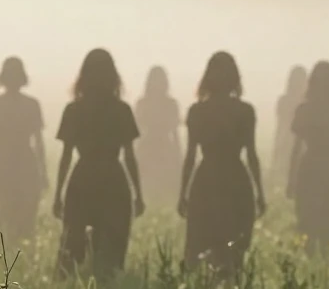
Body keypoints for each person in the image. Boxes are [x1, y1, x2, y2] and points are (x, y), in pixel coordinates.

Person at [54, 49, 144, 276]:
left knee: (72, 244)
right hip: (114, 179)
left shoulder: (74, 110)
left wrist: (58, 194)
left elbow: (66, 156)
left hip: (82, 178)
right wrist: (138, 194)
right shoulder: (122, 110)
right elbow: (129, 156)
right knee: (112, 246)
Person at [179, 52, 266, 273]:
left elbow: (190, 156)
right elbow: (252, 155)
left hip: (206, 180)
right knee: (234, 246)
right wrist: (260, 193)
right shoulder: (245, 111)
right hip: (236, 179)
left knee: (201, 243)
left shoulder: (197, 111)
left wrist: (183, 193)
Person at [287, 61, 329, 247]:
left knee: (310, 219)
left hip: (310, 167)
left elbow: (296, 149)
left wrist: (291, 179)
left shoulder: (304, 110)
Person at [0, 57, 47, 243]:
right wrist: (43, 172)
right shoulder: (32, 105)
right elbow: (39, 142)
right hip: (26, 163)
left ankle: (1, 261)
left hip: (1, 162)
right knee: (25, 219)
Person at [135, 66, 181, 207]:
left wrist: (178, 155)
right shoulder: (144, 104)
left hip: (161, 149)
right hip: (151, 148)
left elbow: (175, 133)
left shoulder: (168, 104)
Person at [271, 65, 307, 191]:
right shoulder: (306, 102)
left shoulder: (284, 101)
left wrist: (276, 150)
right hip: (296, 143)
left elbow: (280, 128)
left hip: (291, 142)